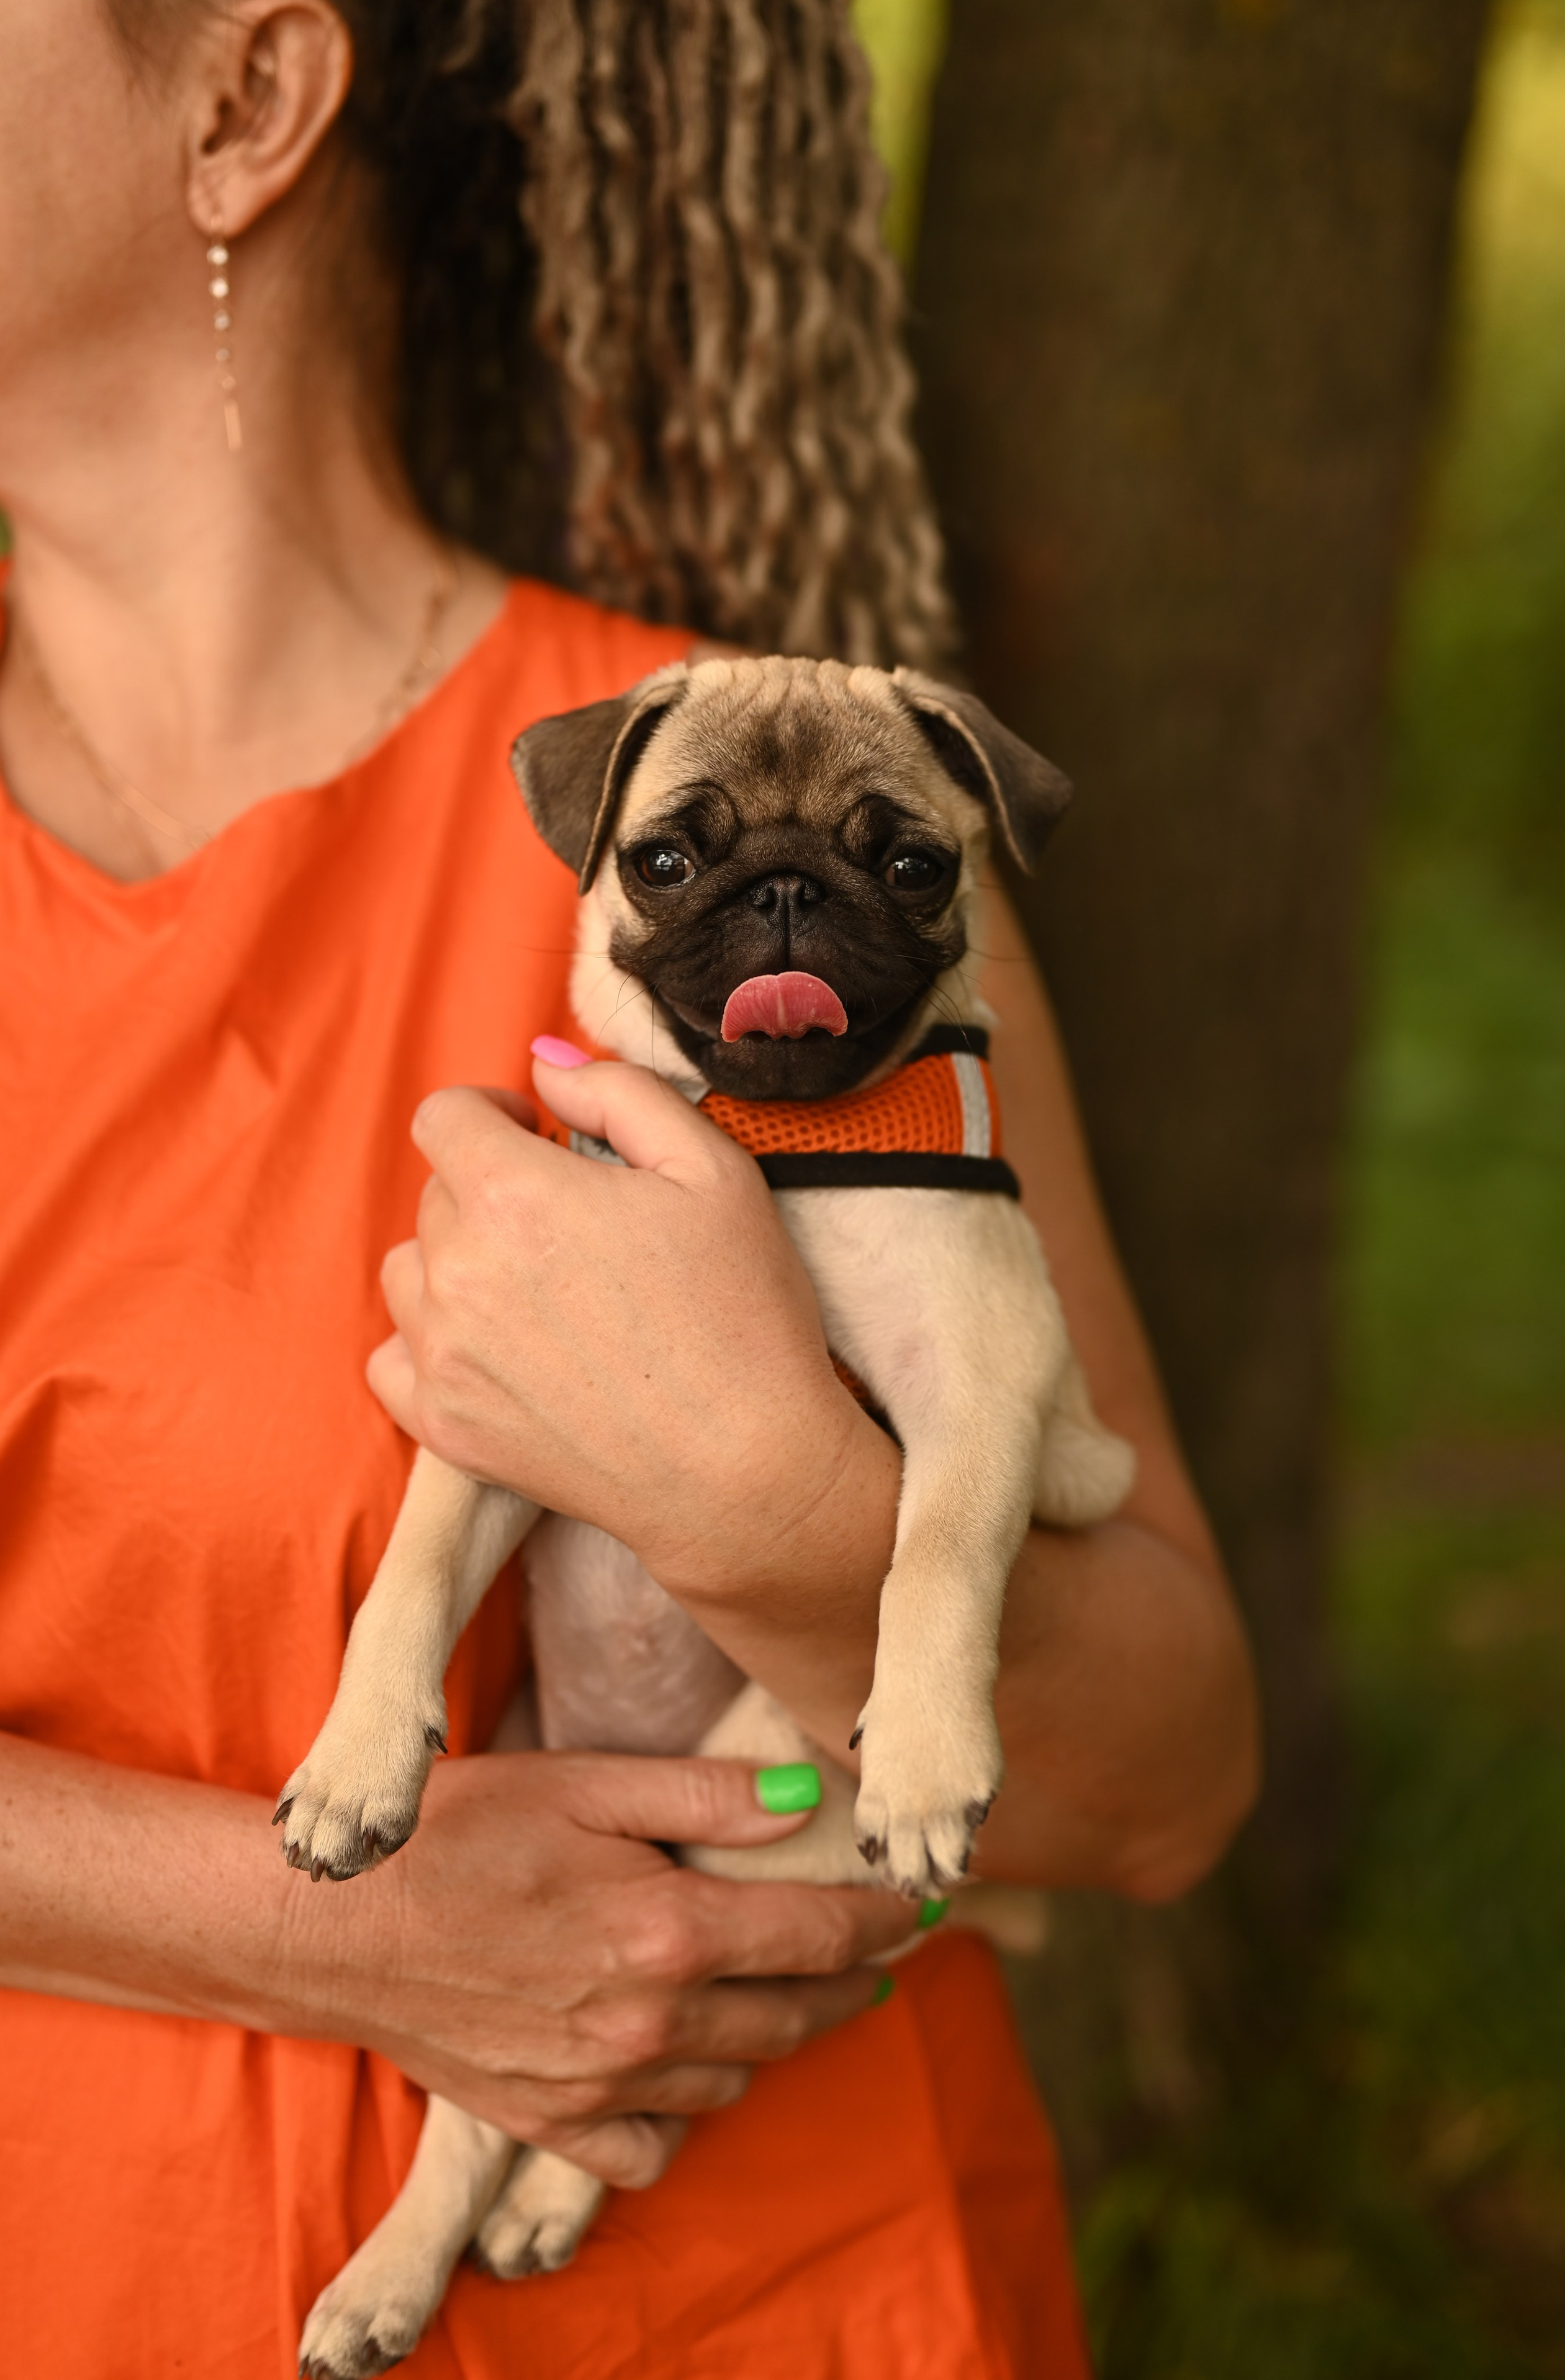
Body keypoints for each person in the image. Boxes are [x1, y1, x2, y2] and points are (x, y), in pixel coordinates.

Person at [0, 2, 1260, 2374]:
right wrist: (320, 1930)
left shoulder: (788, 853)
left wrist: (785, 1509)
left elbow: (1170, 1781)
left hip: (760, 2301)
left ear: (247, 98)